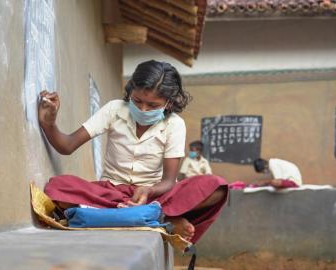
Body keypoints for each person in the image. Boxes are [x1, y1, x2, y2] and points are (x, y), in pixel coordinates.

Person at [38, 60, 228, 243]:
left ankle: (128, 216)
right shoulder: (114, 109)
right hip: (109, 193)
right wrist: (49, 123)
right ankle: (160, 220)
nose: (143, 109)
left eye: (153, 105)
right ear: (130, 91)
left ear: (168, 103)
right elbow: (67, 145)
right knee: (57, 188)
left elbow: (169, 181)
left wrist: (149, 190)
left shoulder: (175, 124)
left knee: (217, 187)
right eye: (137, 101)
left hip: (153, 196)